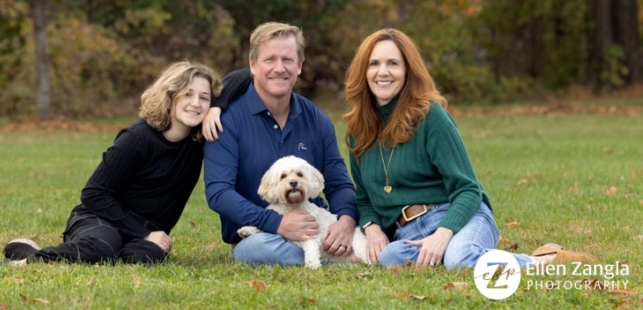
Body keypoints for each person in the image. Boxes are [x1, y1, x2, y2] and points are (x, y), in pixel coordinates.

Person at [343, 28, 598, 269]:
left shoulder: (430, 117)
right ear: (363, 71)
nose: (383, 72)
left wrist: (443, 235)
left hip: (458, 216)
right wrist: (373, 227)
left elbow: (467, 189)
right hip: (409, 233)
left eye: (393, 63)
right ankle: (462, 254)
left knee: (458, 259)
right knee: (390, 257)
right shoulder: (359, 130)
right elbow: (364, 197)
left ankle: (546, 260)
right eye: (374, 63)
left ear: (408, 71)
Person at [0, 61, 246, 266]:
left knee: (148, 257)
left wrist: (218, 107)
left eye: (204, 97)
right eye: (187, 94)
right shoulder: (137, 138)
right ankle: (17, 263)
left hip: (142, 237)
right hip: (99, 219)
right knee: (103, 247)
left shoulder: (201, 142)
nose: (196, 103)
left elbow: (244, 76)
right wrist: (145, 232)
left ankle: (33, 250)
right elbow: (93, 195)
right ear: (170, 95)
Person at [203, 22, 359, 266]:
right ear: (253, 65)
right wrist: (276, 223)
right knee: (253, 249)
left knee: (352, 232)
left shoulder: (316, 119)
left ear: (299, 66)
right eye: (270, 60)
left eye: (287, 60)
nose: (279, 68)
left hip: (314, 229)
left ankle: (327, 251)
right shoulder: (227, 121)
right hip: (261, 237)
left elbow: (339, 184)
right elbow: (218, 193)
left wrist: (346, 221)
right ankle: (328, 258)